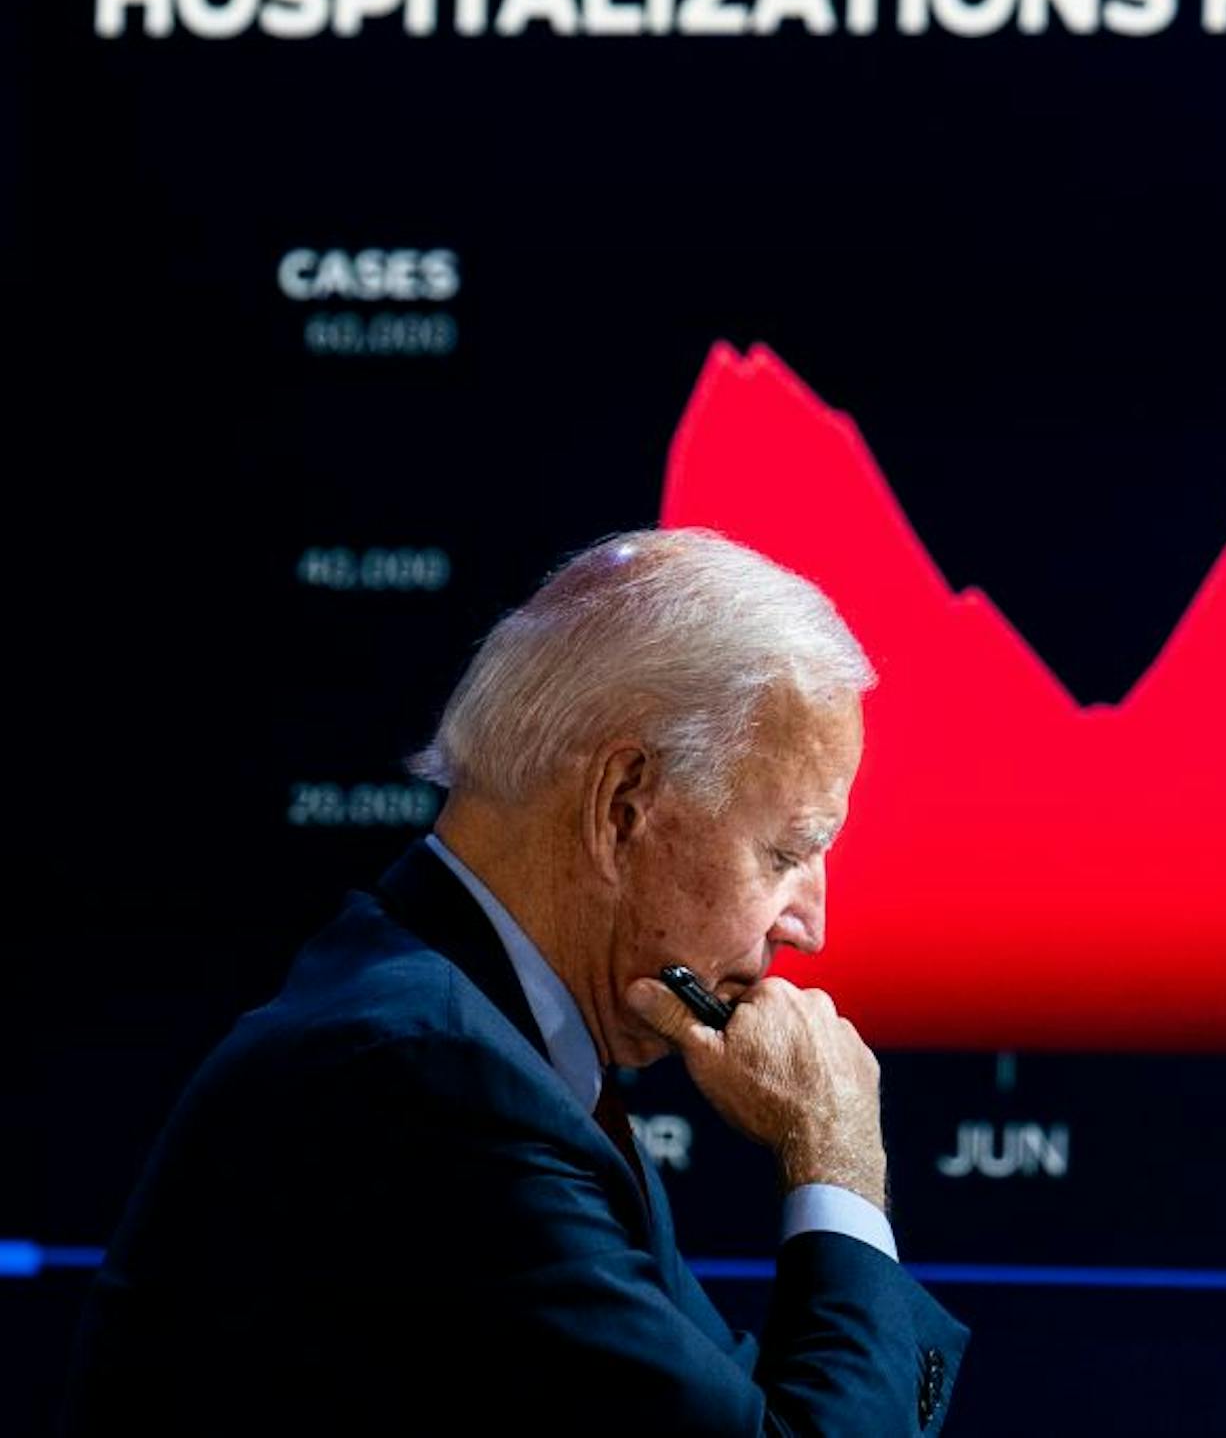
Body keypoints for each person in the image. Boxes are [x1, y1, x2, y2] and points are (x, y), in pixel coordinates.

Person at [61, 528, 967, 1435]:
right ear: (622, 805)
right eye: (785, 853)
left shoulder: (487, 1047)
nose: (809, 926)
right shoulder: (429, 1080)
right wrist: (835, 1149)